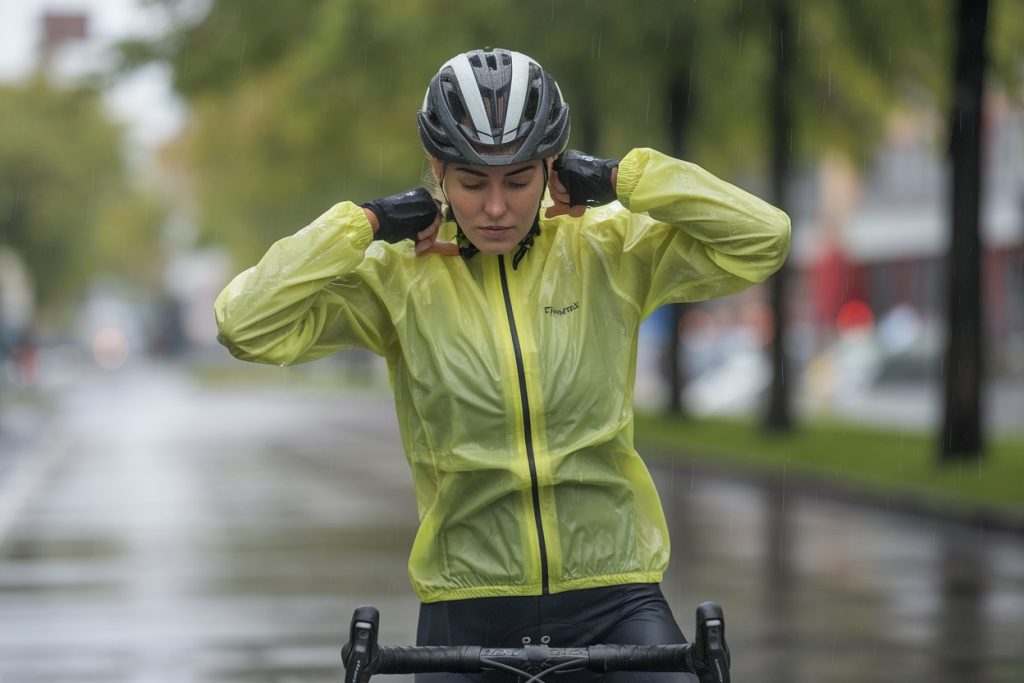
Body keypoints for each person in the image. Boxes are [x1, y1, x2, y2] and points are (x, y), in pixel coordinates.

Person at [215, 48, 790, 681]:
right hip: (466, 607)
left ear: (551, 170)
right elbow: (244, 323)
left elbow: (763, 238)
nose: (495, 207)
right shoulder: (399, 279)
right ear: (436, 171)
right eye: (470, 181)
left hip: (616, 598)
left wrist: (624, 178)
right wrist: (367, 222)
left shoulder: (606, 250)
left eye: (518, 181)